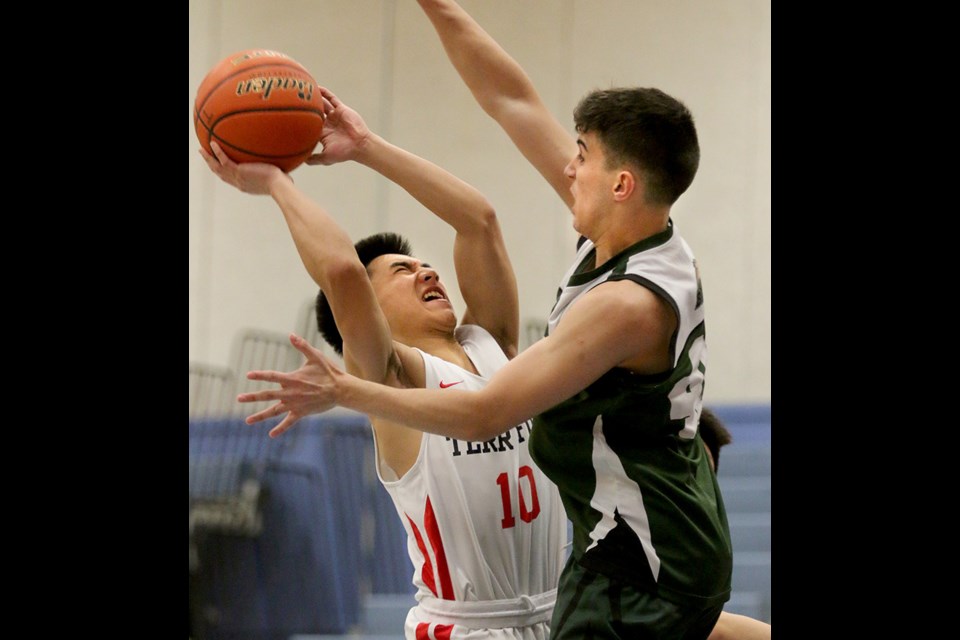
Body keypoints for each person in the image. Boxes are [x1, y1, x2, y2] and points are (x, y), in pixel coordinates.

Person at [237, 0, 732, 636]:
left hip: (602, 580)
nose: (567, 165)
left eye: (582, 154)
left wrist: (343, 393)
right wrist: (347, 151)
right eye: (399, 272)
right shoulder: (394, 370)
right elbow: (510, 101)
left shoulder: (535, 332)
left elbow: (484, 398)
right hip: (478, 621)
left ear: (622, 184)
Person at [200, 87, 566, 640]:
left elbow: (479, 221)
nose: (427, 272)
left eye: (424, 264)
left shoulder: (494, 343)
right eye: (402, 270)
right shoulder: (390, 378)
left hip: (557, 615)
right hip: (468, 629)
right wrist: (277, 183)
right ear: (372, 311)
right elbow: (343, 272)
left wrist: (366, 147)